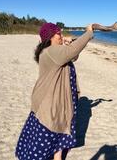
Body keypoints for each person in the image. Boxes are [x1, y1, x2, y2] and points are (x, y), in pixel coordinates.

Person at [15, 22, 94, 160]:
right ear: (50, 36)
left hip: (59, 101)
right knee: (44, 143)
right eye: (58, 34)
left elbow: (73, 56)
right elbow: (73, 51)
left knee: (58, 141)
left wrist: (67, 44)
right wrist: (88, 32)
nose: (61, 36)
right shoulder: (51, 52)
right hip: (49, 103)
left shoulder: (55, 52)